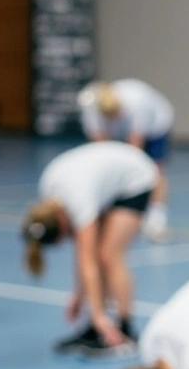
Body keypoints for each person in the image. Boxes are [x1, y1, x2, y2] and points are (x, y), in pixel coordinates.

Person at [21, 140, 157, 357]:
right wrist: (79, 294)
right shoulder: (50, 193)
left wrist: (98, 315)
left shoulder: (79, 201)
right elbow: (83, 255)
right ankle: (95, 329)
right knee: (96, 252)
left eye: (66, 236)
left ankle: (125, 329)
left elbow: (88, 260)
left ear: (63, 222)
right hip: (105, 181)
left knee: (109, 254)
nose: (69, 239)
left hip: (135, 177)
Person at [78, 78, 175, 241]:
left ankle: (157, 220)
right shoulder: (90, 107)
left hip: (156, 126)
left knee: (154, 169)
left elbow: (135, 151)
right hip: (127, 128)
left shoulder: (138, 103)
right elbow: (100, 148)